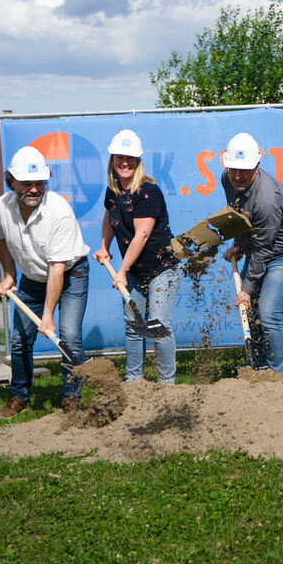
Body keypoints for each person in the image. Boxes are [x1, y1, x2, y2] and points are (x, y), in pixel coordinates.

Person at [0, 146, 90, 418]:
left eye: (39, 183)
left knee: (69, 337)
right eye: (26, 183)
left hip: (71, 275)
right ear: (11, 181)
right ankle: (19, 396)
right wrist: (10, 275)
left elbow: (57, 268)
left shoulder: (59, 212)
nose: (34, 189)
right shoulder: (1, 208)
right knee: (20, 340)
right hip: (32, 278)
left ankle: (71, 399)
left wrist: (47, 316)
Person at [93, 129, 181, 384]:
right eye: (120, 157)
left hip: (162, 267)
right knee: (134, 325)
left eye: (130, 158)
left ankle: (167, 385)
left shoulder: (147, 191)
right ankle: (134, 382)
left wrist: (121, 271)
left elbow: (142, 235)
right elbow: (109, 217)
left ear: (137, 160)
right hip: (134, 269)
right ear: (113, 160)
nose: (124, 162)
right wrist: (104, 246)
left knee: (158, 326)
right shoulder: (113, 191)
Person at [220, 132, 283, 373]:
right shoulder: (227, 179)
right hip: (261, 248)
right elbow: (239, 213)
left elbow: (263, 250)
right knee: (249, 310)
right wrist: (239, 244)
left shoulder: (267, 199)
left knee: (268, 311)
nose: (237, 176)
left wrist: (247, 290)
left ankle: (278, 375)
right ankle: (259, 368)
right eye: (233, 169)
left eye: (244, 170)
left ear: (257, 165)